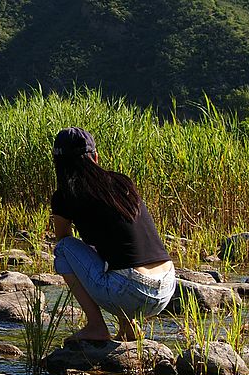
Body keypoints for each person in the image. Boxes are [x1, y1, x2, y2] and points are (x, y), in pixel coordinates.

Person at [50, 127, 176, 342]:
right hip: (166, 286)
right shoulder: (122, 182)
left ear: (58, 162)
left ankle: (96, 326)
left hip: (132, 290)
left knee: (64, 249)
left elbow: (63, 238)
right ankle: (129, 328)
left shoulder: (65, 195)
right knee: (116, 252)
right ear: (95, 157)